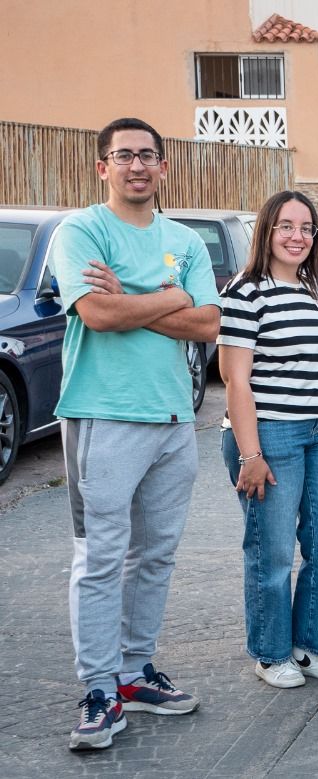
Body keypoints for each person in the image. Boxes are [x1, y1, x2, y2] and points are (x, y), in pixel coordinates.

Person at [54, 117, 218, 751]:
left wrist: (138, 299)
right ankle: (98, 690)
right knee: (100, 558)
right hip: (103, 414)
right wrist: (169, 297)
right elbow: (95, 313)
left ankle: (133, 673)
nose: (137, 165)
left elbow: (210, 324)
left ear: (164, 166)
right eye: (124, 156)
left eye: (149, 155)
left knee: (155, 556)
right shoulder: (83, 229)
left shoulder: (186, 239)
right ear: (103, 167)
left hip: (176, 420)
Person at [218, 191, 318, 689]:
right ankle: (271, 652)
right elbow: (235, 379)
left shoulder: (307, 288)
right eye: (285, 226)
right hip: (270, 435)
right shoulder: (245, 290)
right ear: (266, 232)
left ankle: (313, 647)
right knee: (272, 553)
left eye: (306, 228)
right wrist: (250, 454)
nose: (297, 236)